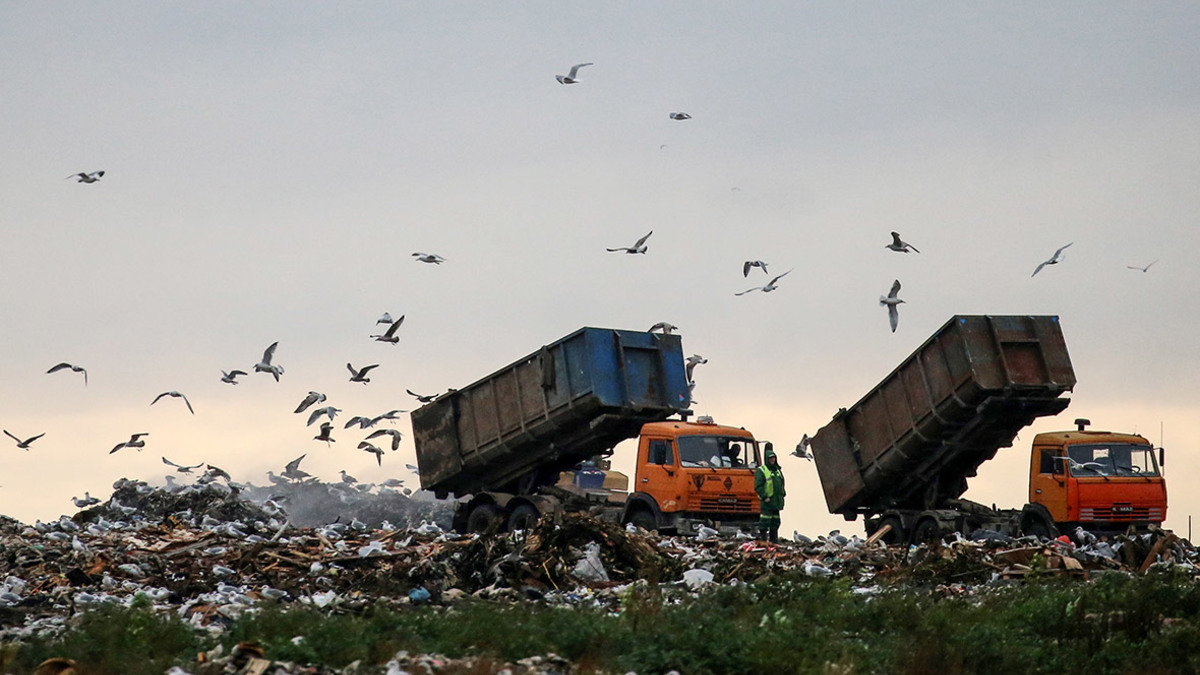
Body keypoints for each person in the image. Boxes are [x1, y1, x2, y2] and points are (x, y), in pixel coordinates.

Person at [754, 442, 785, 542]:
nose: (772, 460)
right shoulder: (762, 470)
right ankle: (763, 540)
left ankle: (773, 540)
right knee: (765, 521)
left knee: (775, 521)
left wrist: (783, 493)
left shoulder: (777, 470)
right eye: (770, 458)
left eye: (774, 458)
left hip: (776, 501)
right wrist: (764, 497)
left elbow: (781, 482)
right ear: (767, 459)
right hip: (768, 501)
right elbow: (758, 486)